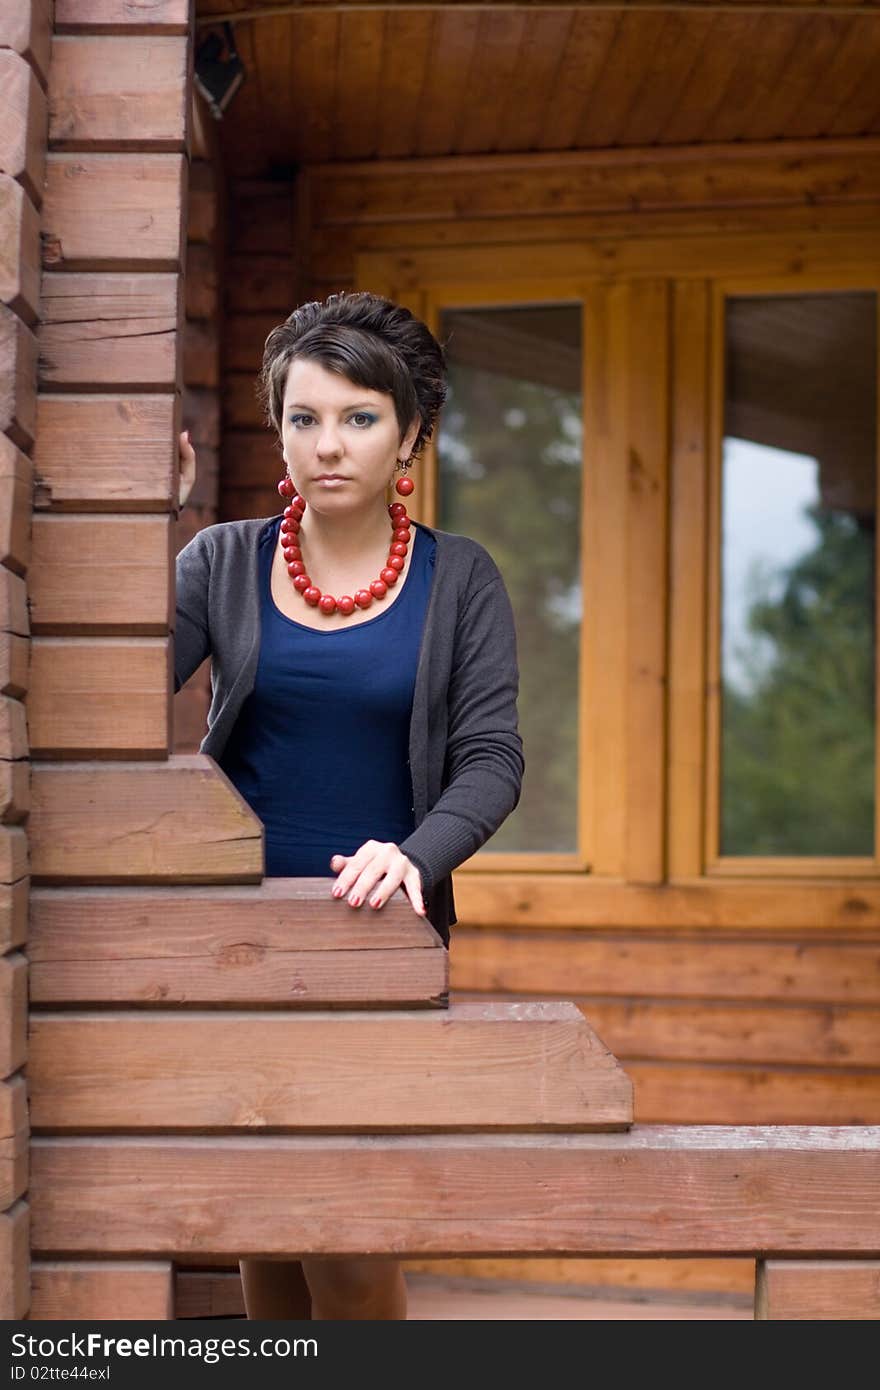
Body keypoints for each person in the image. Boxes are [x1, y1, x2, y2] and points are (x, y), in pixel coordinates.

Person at [174, 290, 524, 1320]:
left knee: (349, 1239)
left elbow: (492, 758)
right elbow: (112, 680)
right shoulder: (222, 561)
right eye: (304, 417)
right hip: (229, 944)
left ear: (411, 433)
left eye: (360, 417)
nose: (328, 444)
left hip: (375, 943)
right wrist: (161, 513)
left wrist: (418, 853)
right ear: (278, 428)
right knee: (266, 1234)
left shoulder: (461, 579)